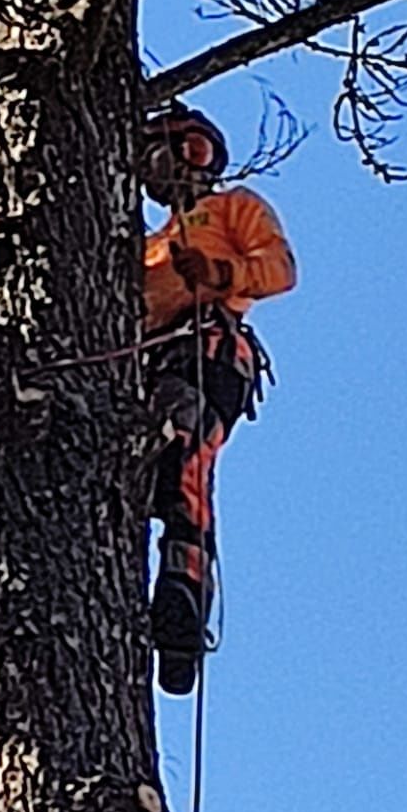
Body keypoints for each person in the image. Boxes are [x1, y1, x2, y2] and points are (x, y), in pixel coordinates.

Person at [142, 103, 297, 694]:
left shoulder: (234, 208)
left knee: (184, 450)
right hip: (144, 363)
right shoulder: (144, 244)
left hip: (207, 349)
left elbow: (279, 268)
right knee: (144, 460)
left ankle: (185, 595)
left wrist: (218, 271)